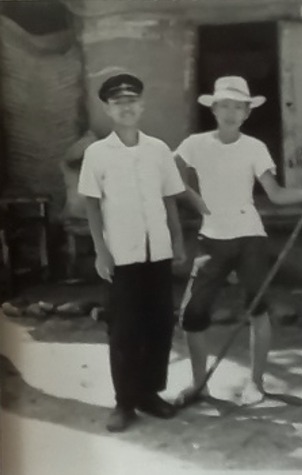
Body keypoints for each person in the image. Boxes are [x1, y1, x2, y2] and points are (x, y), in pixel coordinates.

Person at [174, 76, 302, 406]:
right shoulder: (194, 144)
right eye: (225, 105)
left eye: (238, 107)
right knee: (192, 314)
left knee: (257, 309)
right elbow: (168, 174)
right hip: (211, 238)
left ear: (247, 113)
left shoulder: (254, 147)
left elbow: (274, 192)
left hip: (249, 237)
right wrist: (194, 199)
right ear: (214, 109)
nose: (231, 112)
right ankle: (198, 384)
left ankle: (256, 383)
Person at [78, 73, 187, 432]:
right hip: (121, 254)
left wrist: (178, 241)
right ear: (108, 109)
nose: (126, 108)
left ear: (142, 106)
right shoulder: (97, 153)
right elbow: (92, 205)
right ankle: (124, 402)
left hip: (157, 250)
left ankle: (149, 394)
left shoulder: (158, 150)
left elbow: (169, 199)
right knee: (124, 329)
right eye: (118, 103)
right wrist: (101, 252)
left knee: (159, 324)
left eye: (132, 102)